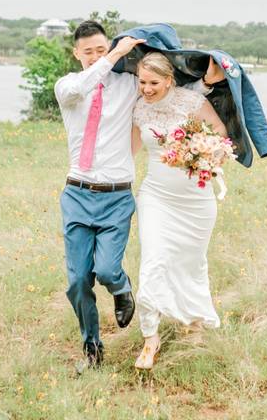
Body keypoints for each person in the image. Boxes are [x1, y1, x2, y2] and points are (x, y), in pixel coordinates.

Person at [54, 21, 222, 372]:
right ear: (76, 53)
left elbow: (166, 90)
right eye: (90, 52)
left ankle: (122, 288)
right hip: (77, 191)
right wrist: (113, 54)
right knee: (77, 280)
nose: (99, 57)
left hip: (116, 195)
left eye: (103, 49)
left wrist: (205, 83)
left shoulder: (130, 86)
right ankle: (92, 349)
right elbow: (85, 85)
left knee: (108, 270)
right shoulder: (68, 85)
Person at [129, 51, 229, 369]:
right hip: (156, 197)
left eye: (153, 82)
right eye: (142, 81)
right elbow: (129, 152)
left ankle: (194, 324)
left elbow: (221, 137)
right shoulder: (139, 110)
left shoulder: (191, 102)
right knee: (153, 260)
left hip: (196, 200)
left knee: (191, 262)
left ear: (169, 80)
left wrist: (202, 154)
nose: (146, 88)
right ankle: (150, 337)